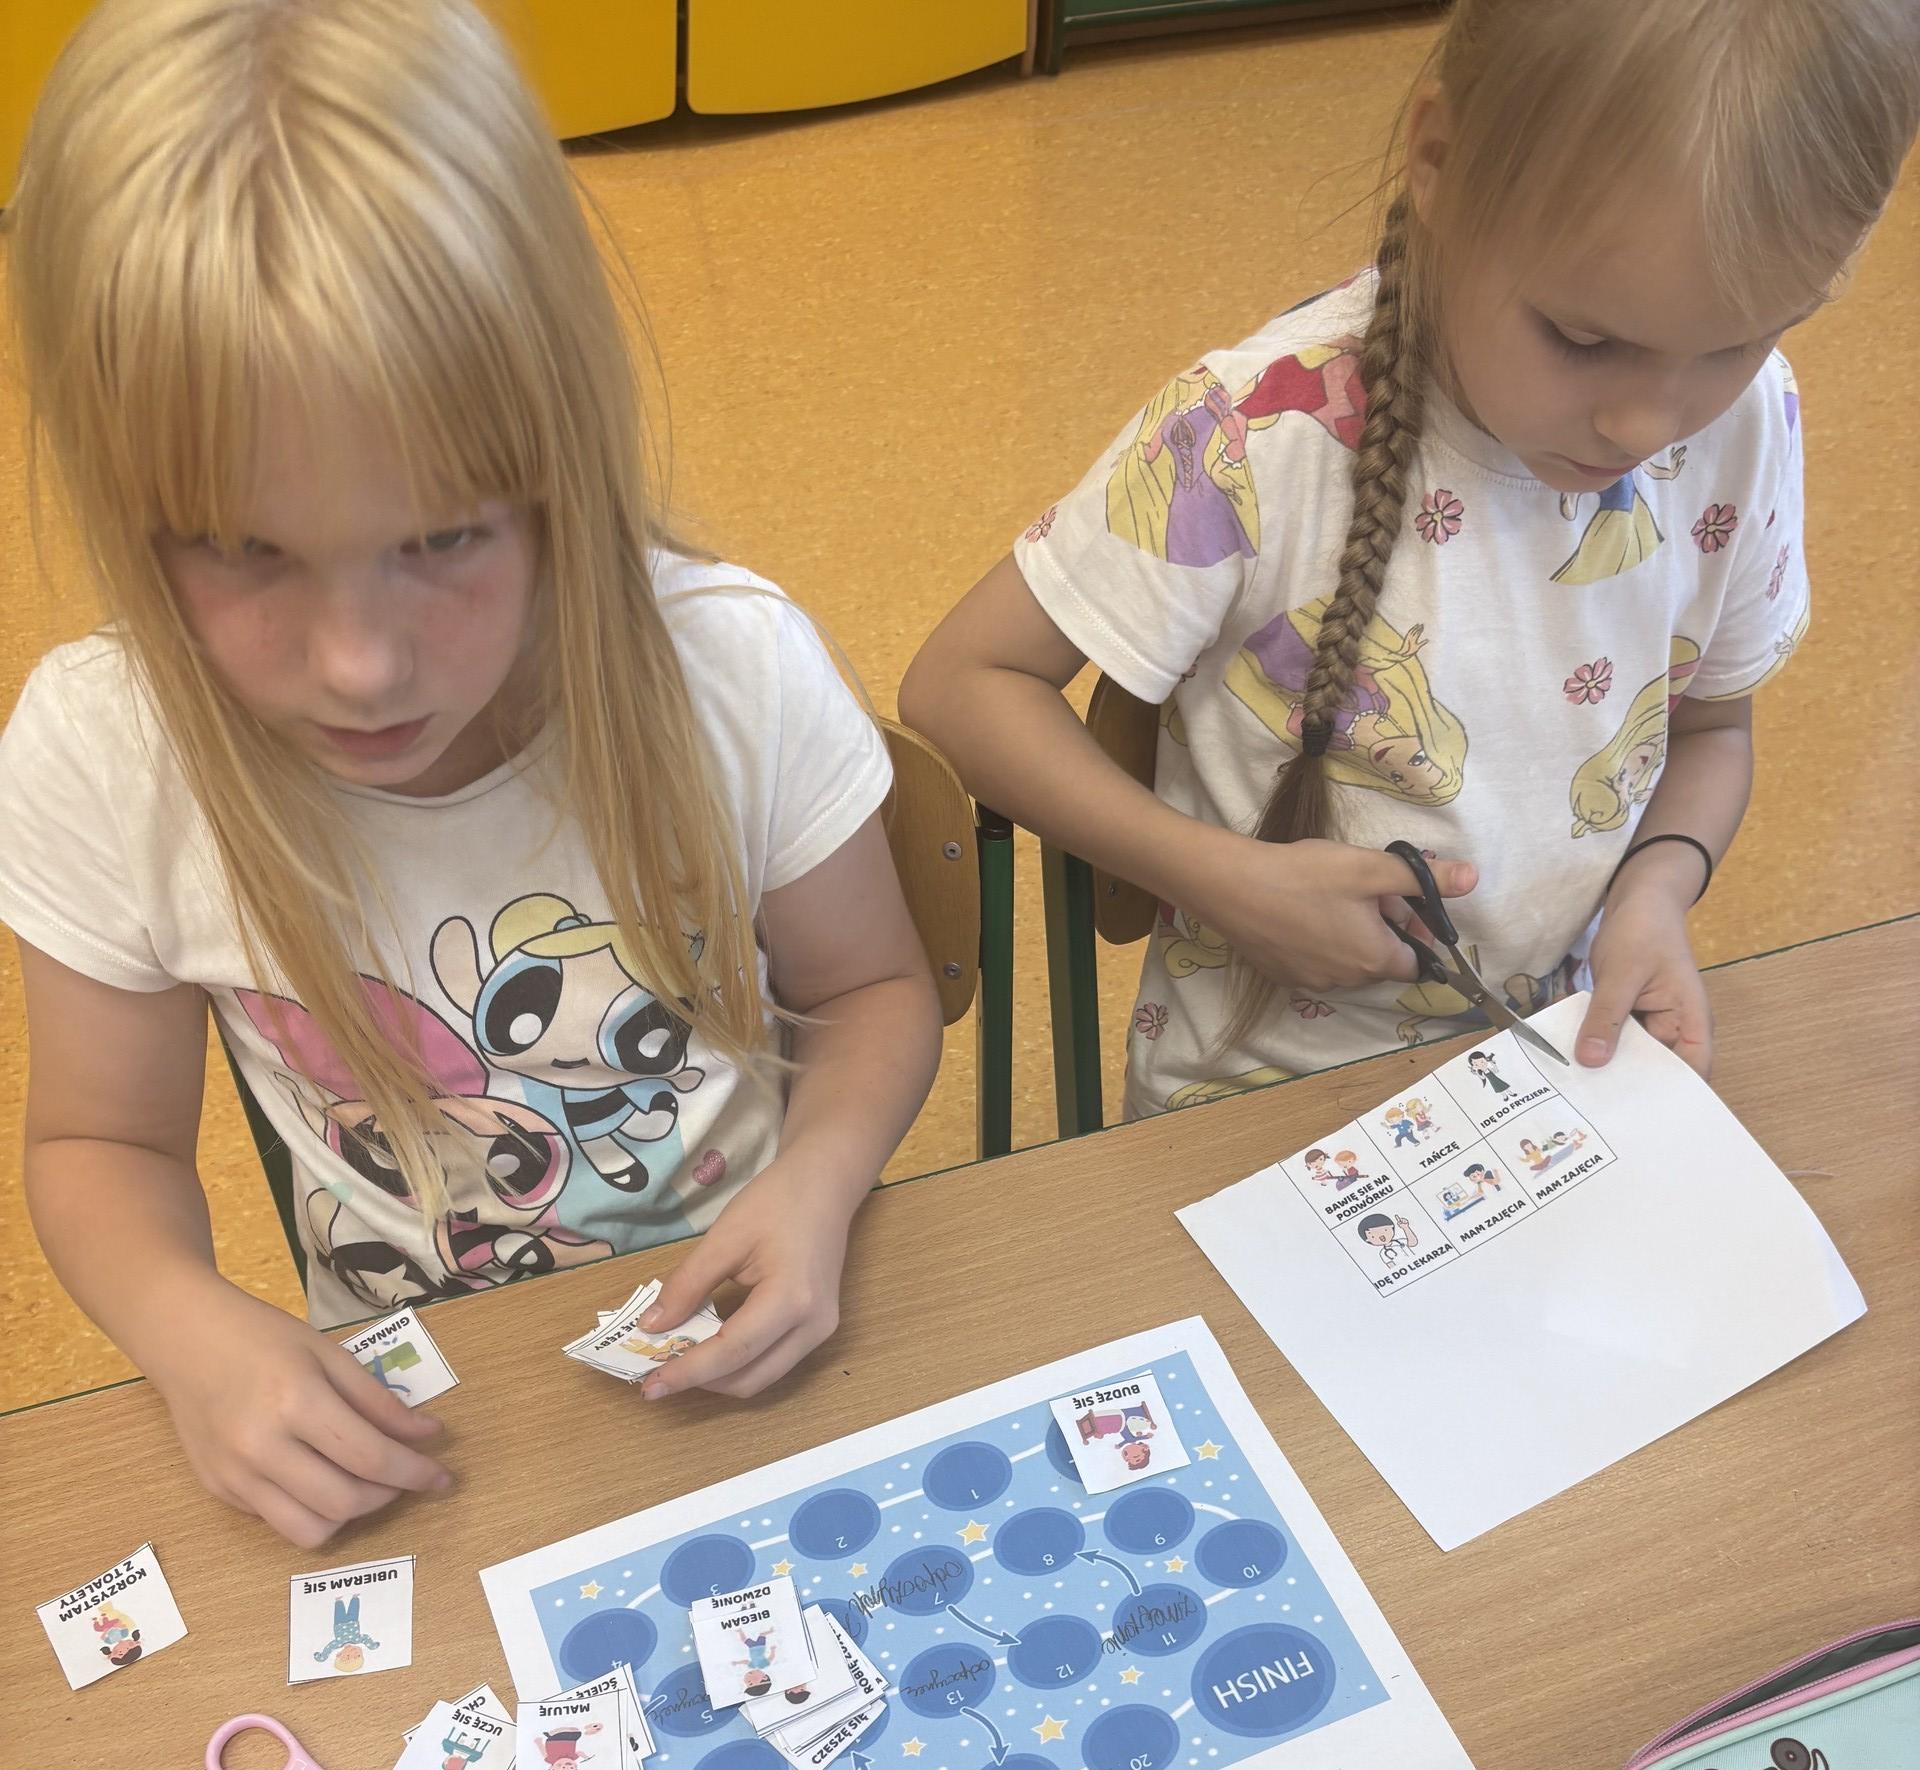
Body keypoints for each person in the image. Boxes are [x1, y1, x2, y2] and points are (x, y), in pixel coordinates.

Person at [0, 0, 941, 1551]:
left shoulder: (729, 667)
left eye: (442, 538)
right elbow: (98, 1147)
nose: (361, 666)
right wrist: (192, 1337)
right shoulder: (104, 757)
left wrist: (822, 1180)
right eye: (245, 551)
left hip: (757, 1351)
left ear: (556, 463)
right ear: (126, 509)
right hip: (429, 1433)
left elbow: (874, 991)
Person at [903, 0, 1917, 1115]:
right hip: (1251, 1101)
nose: (1646, 424)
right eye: (1585, 339)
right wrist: (1223, 879)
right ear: (1438, 158)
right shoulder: (1253, 435)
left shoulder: (1745, 425)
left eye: (1737, 342)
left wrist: (1656, 890)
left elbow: (1715, 728)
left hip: (1552, 1076)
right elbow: (963, 684)